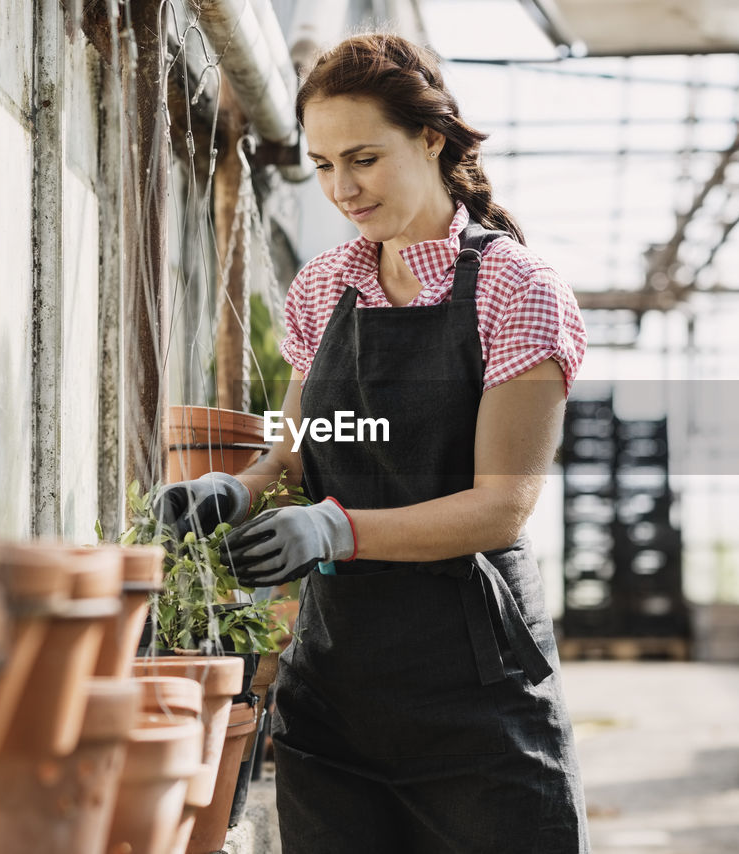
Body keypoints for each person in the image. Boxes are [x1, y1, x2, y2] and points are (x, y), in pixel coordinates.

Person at [156, 32, 590, 853]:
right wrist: (238, 490)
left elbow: (502, 506)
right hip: (337, 695)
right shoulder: (326, 286)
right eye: (322, 166)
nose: (342, 189)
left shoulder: (515, 288)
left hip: (475, 705)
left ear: (431, 137)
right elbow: (295, 450)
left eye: (363, 158)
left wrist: (336, 529)